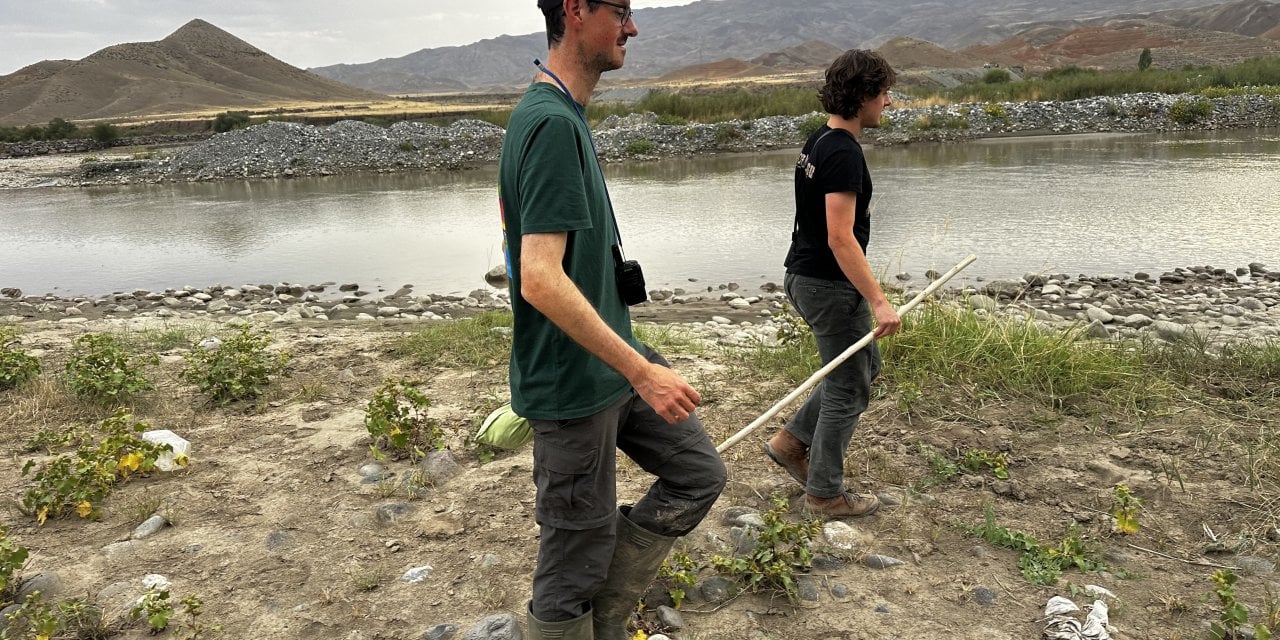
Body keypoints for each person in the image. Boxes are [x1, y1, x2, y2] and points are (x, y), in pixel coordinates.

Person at [497, 1, 726, 638]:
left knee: (698, 474)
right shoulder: (548, 123)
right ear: (575, 9)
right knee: (574, 552)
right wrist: (643, 371)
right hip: (573, 386)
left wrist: (633, 355)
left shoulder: (563, 114)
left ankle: (609, 619)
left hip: (613, 369)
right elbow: (539, 277)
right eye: (621, 10)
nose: (633, 27)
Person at [764, 49, 901, 518]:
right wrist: (879, 301)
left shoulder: (819, 140)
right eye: (884, 93)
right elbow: (840, 237)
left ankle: (790, 442)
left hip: (807, 277)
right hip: (828, 285)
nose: (889, 102)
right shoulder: (842, 151)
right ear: (863, 96)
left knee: (860, 370)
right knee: (848, 386)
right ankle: (824, 493)